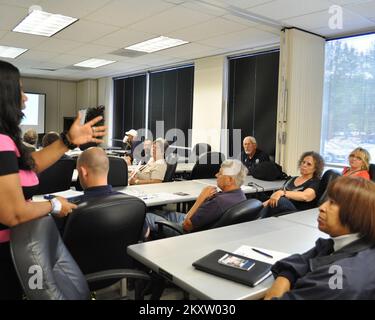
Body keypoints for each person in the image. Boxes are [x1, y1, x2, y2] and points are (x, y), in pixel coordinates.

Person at [0, 60, 106, 300]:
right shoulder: (0, 141)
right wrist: (54, 205)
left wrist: (68, 140)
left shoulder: (5, 141)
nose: (25, 98)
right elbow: (13, 213)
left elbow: (31, 166)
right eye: (20, 90)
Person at [264, 176, 375, 300]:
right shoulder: (355, 243)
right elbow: (304, 259)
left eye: (332, 203)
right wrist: (286, 276)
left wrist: (272, 294)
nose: (321, 207)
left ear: (356, 214)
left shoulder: (338, 279)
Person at [144, 159, 247, 238]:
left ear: (229, 180)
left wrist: (201, 198)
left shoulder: (219, 202)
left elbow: (186, 226)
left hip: (188, 233)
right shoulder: (240, 195)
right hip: (202, 224)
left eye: (220, 173)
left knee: (146, 216)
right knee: (159, 213)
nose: (216, 175)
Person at [259, 151, 324, 218]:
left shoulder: (315, 182)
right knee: (257, 202)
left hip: (297, 214)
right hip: (280, 210)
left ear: (315, 169)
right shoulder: (292, 179)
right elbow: (275, 197)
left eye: (309, 164)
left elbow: (306, 196)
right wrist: (260, 206)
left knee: (281, 200)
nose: (304, 165)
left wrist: (282, 193)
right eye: (303, 162)